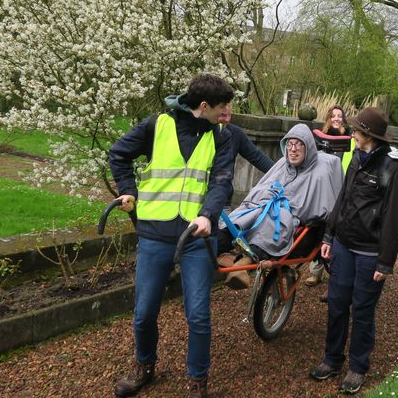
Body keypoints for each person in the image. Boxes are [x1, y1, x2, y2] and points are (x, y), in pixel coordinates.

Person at [109, 73, 235, 398]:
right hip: (154, 234)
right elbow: (118, 154)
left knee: (198, 314)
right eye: (222, 107)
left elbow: (222, 182)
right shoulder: (156, 125)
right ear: (204, 106)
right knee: (144, 311)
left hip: (197, 237)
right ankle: (144, 366)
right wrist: (127, 191)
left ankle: (197, 381)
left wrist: (208, 216)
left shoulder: (221, 137)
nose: (227, 112)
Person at [309, 107, 398, 394]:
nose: (351, 132)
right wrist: (328, 236)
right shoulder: (355, 159)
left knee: (362, 312)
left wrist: (385, 262)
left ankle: (357, 367)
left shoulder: (391, 170)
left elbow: (392, 219)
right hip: (343, 246)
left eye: (356, 130)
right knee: (337, 306)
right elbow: (342, 199)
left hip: (369, 253)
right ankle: (332, 360)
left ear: (369, 136)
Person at [216, 124, 343, 288]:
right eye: (290, 144)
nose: (293, 149)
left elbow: (316, 208)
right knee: (237, 219)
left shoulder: (320, 172)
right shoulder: (283, 164)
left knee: (272, 226)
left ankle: (243, 263)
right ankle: (221, 252)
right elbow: (260, 188)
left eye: (299, 145)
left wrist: (284, 206)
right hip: (262, 208)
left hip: (286, 219)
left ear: (309, 148)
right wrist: (265, 198)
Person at [306, 104, 351, 288]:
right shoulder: (320, 137)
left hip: (341, 189)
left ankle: (334, 272)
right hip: (323, 188)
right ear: (328, 118)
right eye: (333, 116)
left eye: (339, 116)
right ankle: (315, 272)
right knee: (318, 225)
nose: (336, 119)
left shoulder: (349, 139)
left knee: (336, 230)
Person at [217, 102, 274, 175]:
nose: (227, 120)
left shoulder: (235, 133)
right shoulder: (203, 131)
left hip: (223, 184)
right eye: (223, 115)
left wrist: (280, 173)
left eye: (230, 115)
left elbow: (257, 157)